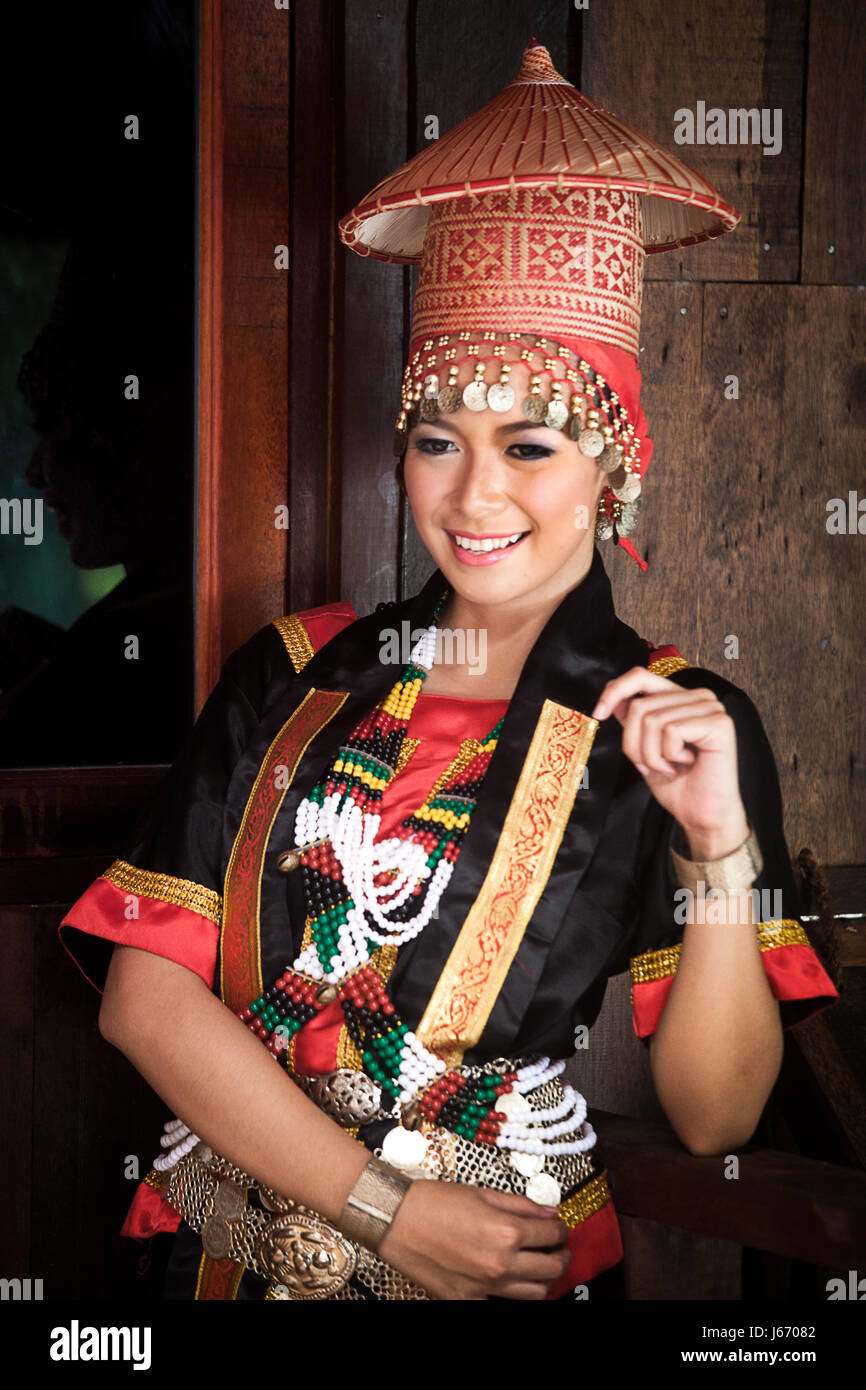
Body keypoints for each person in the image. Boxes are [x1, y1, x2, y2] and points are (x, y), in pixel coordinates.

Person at [59, 42, 838, 1302]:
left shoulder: (676, 723)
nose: (474, 495)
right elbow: (143, 999)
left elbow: (714, 1116)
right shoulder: (295, 672)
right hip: (222, 1252)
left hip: (491, 1271)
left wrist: (716, 848)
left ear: (612, 467)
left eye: (529, 446)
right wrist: (382, 1208)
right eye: (435, 441)